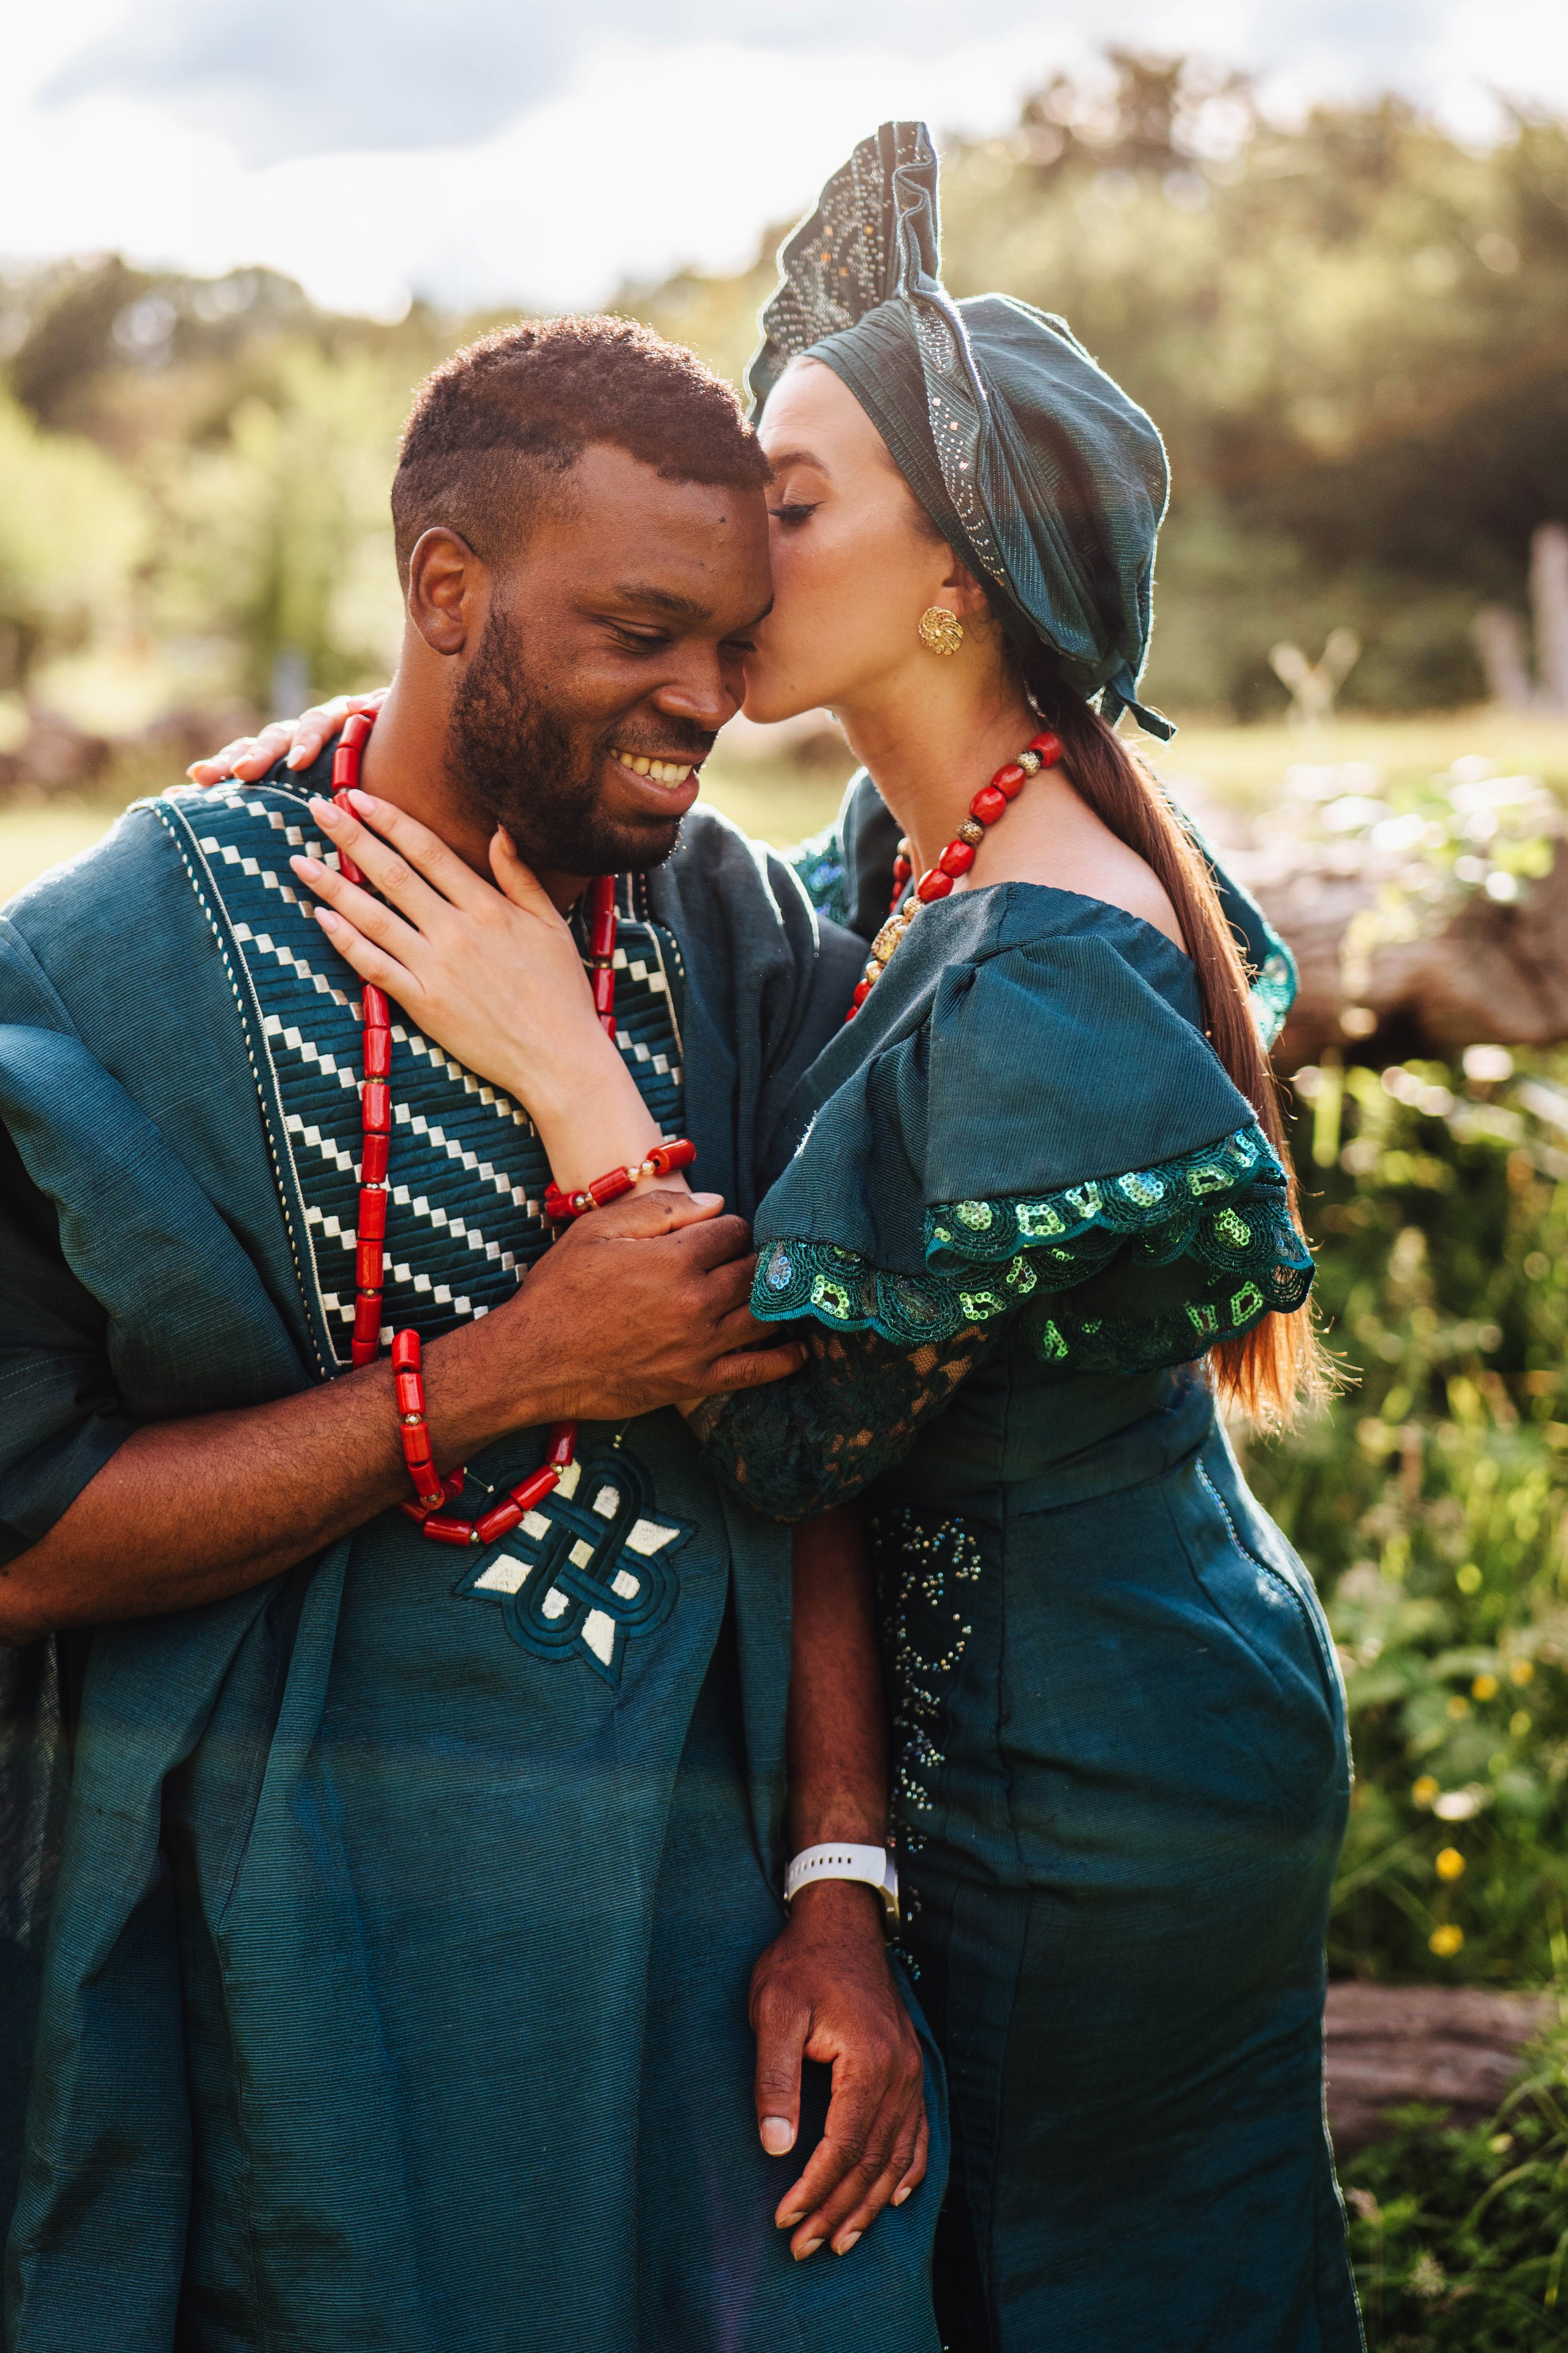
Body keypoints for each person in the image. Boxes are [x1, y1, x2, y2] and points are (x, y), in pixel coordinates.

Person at [243, 126, 1362, 2352]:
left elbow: (787, 1432)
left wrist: (570, 1082)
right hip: (1021, 1730)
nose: (743, 540)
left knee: (1108, 2290)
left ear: (959, 580)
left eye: (795, 497)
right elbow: (689, 881)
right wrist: (402, 733)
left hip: (1103, 1766)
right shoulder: (922, 838)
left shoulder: (1054, 961)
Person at [0, 317, 946, 2352]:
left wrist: (838, 1886)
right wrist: (502, 1375)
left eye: (733, 641)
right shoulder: (107, 975)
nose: (708, 699)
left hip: (703, 1936)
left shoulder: (738, 934)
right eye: (641, 632)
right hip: (289, 1963)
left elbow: (819, 1457)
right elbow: (22, 1536)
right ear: (449, 591)